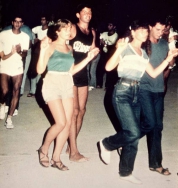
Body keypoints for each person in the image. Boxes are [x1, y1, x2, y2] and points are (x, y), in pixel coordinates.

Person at [97, 20, 178, 184]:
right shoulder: (125, 47)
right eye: (141, 30)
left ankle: (126, 172)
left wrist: (169, 58)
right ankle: (106, 144)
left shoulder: (144, 53)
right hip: (122, 92)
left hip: (136, 92)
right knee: (133, 132)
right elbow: (108, 67)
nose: (144, 33)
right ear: (132, 32)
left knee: (137, 132)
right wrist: (118, 50)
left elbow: (154, 73)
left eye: (145, 31)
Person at [36, 19, 99, 170]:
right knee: (61, 123)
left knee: (68, 123)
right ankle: (43, 149)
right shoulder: (50, 46)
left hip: (67, 83)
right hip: (52, 83)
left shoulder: (70, 48)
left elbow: (71, 70)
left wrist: (88, 58)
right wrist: (43, 50)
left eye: (70, 28)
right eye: (65, 28)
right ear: (57, 31)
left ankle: (56, 158)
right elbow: (39, 70)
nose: (69, 30)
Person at [139, 17, 175, 175]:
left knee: (157, 127)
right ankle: (124, 138)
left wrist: (172, 52)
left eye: (163, 30)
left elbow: (169, 65)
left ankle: (155, 163)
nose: (161, 33)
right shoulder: (142, 44)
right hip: (143, 88)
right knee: (151, 124)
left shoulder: (164, 44)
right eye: (157, 29)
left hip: (159, 89)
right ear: (150, 27)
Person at [68, 3, 96, 162]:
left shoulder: (91, 32)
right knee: (74, 111)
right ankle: (73, 152)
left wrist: (94, 52)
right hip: (71, 72)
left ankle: (72, 143)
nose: (88, 14)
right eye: (85, 12)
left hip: (83, 73)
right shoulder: (72, 28)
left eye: (90, 12)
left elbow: (91, 50)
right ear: (78, 15)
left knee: (82, 110)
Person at [0, 14, 29, 128]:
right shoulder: (3, 35)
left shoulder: (25, 37)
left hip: (17, 66)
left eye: (20, 22)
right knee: (4, 90)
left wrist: (19, 51)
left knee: (16, 91)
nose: (17, 24)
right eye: (15, 21)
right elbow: (2, 57)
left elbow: (25, 54)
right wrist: (12, 53)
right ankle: (2, 104)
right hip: (5, 65)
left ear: (22, 24)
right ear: (12, 22)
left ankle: (9, 118)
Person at [27, 15, 48, 98]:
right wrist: (34, 38)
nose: (42, 21)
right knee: (34, 70)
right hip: (36, 51)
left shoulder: (50, 30)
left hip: (45, 52)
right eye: (41, 19)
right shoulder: (38, 28)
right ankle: (32, 91)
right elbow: (31, 31)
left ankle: (40, 91)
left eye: (44, 19)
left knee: (42, 72)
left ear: (47, 21)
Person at [96, 21, 118, 89]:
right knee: (100, 69)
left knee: (110, 71)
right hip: (104, 54)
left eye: (111, 25)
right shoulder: (104, 33)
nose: (109, 27)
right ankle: (99, 84)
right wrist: (102, 42)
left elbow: (111, 45)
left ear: (114, 27)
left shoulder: (116, 35)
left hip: (111, 55)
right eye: (108, 25)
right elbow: (100, 40)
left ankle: (108, 85)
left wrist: (104, 43)